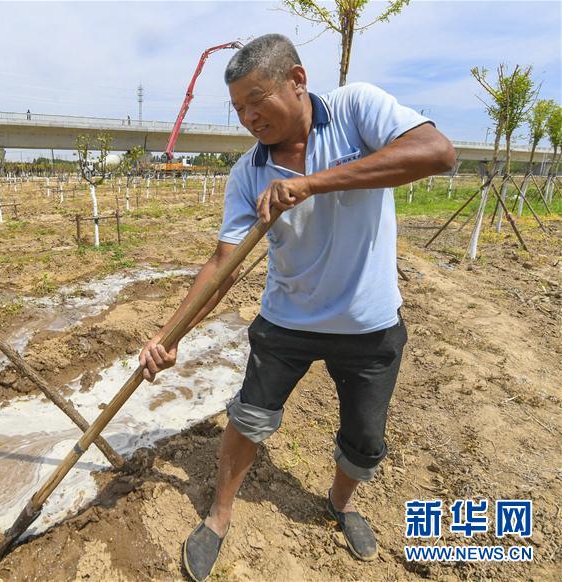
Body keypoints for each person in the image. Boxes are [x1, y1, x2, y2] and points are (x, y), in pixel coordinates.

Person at [138, 34, 454, 581]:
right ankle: (218, 515)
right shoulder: (248, 172)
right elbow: (223, 264)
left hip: (369, 323)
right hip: (286, 320)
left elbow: (437, 153)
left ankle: (341, 503)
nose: (248, 117)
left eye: (257, 99)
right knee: (249, 418)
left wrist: (313, 184)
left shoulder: (357, 109)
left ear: (298, 81)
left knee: (365, 436)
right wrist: (168, 337)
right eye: (239, 108)